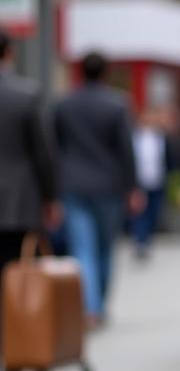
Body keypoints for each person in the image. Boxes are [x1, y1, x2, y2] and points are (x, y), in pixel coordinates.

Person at [53, 52, 142, 329]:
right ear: (105, 73)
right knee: (104, 248)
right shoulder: (117, 104)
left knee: (82, 248)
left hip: (73, 185)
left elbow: (55, 146)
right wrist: (133, 186)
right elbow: (127, 151)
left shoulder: (64, 104)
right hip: (109, 186)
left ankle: (89, 307)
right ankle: (97, 305)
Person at [0, 30, 60, 356]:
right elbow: (43, 154)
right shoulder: (26, 95)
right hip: (17, 205)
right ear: (8, 52)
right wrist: (51, 198)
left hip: (17, 203)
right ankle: (18, 349)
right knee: (20, 282)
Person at [130, 107, 173, 259]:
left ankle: (146, 238)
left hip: (157, 181)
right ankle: (140, 240)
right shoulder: (134, 137)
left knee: (153, 212)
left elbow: (170, 158)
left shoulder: (162, 137)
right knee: (140, 213)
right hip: (140, 182)